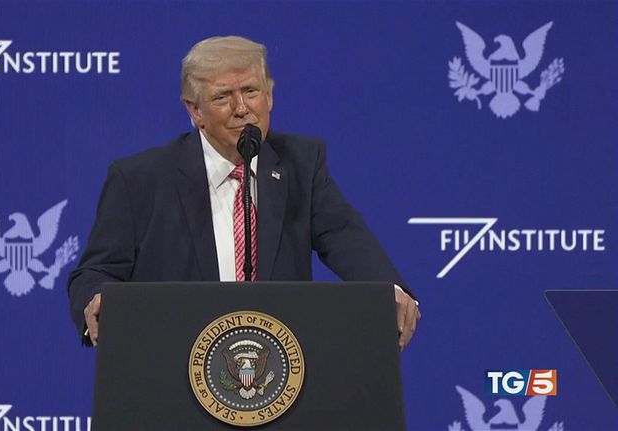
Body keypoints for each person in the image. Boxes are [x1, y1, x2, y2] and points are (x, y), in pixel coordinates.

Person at [68, 35, 420, 349]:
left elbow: (344, 236)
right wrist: (97, 300)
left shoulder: (300, 164)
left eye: (251, 91)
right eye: (223, 96)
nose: (241, 109)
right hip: (175, 363)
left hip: (281, 367)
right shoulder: (140, 179)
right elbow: (96, 272)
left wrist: (387, 290)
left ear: (269, 96)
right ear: (195, 111)